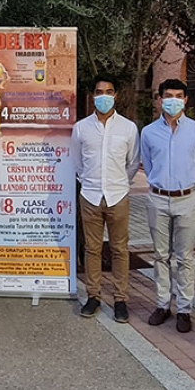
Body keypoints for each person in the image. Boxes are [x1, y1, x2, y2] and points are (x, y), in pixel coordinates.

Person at [140, 79, 195, 333]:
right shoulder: (148, 132)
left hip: (186, 199)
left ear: (186, 99)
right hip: (158, 197)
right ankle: (162, 304)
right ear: (159, 98)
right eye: (168, 95)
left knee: (185, 258)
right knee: (160, 255)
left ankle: (184, 308)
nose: (173, 100)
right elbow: (148, 165)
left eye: (179, 95)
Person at [71, 76, 140, 323]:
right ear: (93, 96)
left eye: (109, 92)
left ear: (116, 95)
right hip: (89, 196)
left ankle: (120, 299)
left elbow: (132, 163)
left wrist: (120, 182)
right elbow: (77, 162)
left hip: (118, 196)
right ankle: (93, 296)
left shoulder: (128, 128)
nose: (104, 96)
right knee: (92, 249)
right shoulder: (81, 128)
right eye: (99, 92)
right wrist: (90, 182)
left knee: (120, 249)